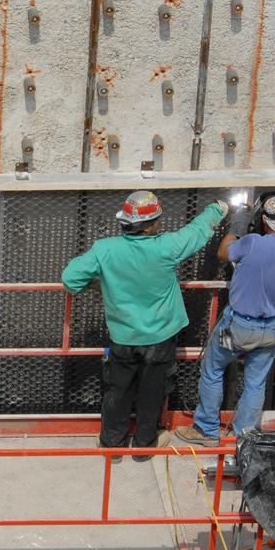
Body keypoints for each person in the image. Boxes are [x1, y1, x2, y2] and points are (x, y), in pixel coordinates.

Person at [62, 192, 228, 462]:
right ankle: (144, 446)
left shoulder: (105, 249)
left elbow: (70, 279)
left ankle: (112, 445)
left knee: (118, 389)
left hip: (123, 335)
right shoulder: (167, 247)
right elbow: (196, 232)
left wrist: (99, 283)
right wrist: (217, 209)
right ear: (151, 224)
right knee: (152, 390)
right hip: (160, 337)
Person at [173, 193, 275, 445]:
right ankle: (243, 439)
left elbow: (224, 253)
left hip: (238, 326)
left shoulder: (253, 243)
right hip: (271, 328)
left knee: (213, 369)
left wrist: (237, 225)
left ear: (264, 221)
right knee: (256, 384)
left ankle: (207, 431)